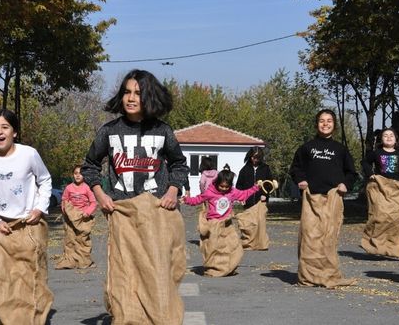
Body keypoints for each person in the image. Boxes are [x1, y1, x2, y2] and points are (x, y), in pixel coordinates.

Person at [81, 69, 189, 325]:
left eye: (137, 93)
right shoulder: (109, 131)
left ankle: (161, 317)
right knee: (126, 273)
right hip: (123, 212)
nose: (131, 98)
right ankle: (130, 318)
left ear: (148, 96)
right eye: (127, 92)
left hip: (157, 212)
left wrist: (173, 190)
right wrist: (100, 194)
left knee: (158, 272)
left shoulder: (163, 131)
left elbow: (179, 165)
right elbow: (90, 166)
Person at [0, 109, 53, 324]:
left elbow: (45, 180)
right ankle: (5, 317)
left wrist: (39, 208)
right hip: (0, 227)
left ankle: (30, 318)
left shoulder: (28, 154)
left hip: (28, 225)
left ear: (14, 132)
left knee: (28, 277)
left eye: (5, 127)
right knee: (0, 279)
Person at [290, 109, 357, 288]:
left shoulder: (340, 149)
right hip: (312, 199)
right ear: (316, 124)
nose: (325, 124)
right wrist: (301, 180)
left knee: (329, 238)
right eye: (321, 120)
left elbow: (351, 172)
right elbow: (296, 168)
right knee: (310, 237)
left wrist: (345, 185)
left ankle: (328, 273)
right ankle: (309, 275)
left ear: (334, 125)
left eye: (329, 121)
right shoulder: (307, 148)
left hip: (333, 199)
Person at [182, 168, 259, 277]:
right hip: (213, 224)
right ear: (217, 182)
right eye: (221, 186)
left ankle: (228, 266)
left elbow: (243, 194)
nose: (223, 189)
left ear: (230, 185)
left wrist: (255, 188)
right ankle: (215, 268)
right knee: (214, 247)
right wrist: (187, 200)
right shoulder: (210, 192)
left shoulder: (232, 192)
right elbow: (198, 199)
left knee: (233, 245)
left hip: (227, 224)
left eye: (226, 187)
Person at [360, 128, 399, 258]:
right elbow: (364, 162)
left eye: (391, 135)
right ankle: (375, 245)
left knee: (396, 218)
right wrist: (370, 174)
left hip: (396, 189)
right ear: (381, 139)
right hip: (380, 187)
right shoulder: (376, 153)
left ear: (396, 139)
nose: (388, 137)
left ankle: (393, 248)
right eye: (385, 135)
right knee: (380, 216)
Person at [55, 164, 97, 269]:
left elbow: (93, 203)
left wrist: (87, 212)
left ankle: (84, 261)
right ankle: (70, 260)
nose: (78, 176)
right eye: (75, 173)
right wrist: (65, 211)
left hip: (83, 218)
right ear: (73, 175)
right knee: (70, 239)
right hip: (71, 217)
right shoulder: (69, 188)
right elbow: (64, 200)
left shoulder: (87, 188)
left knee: (82, 239)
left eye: (80, 173)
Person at [235, 147, 273, 250]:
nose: (255, 159)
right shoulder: (244, 170)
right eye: (253, 157)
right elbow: (239, 186)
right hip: (248, 200)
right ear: (250, 156)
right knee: (249, 223)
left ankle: (261, 245)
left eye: (258, 157)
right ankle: (248, 244)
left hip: (261, 200)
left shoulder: (266, 168)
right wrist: (241, 198)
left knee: (261, 223)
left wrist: (266, 194)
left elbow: (270, 184)